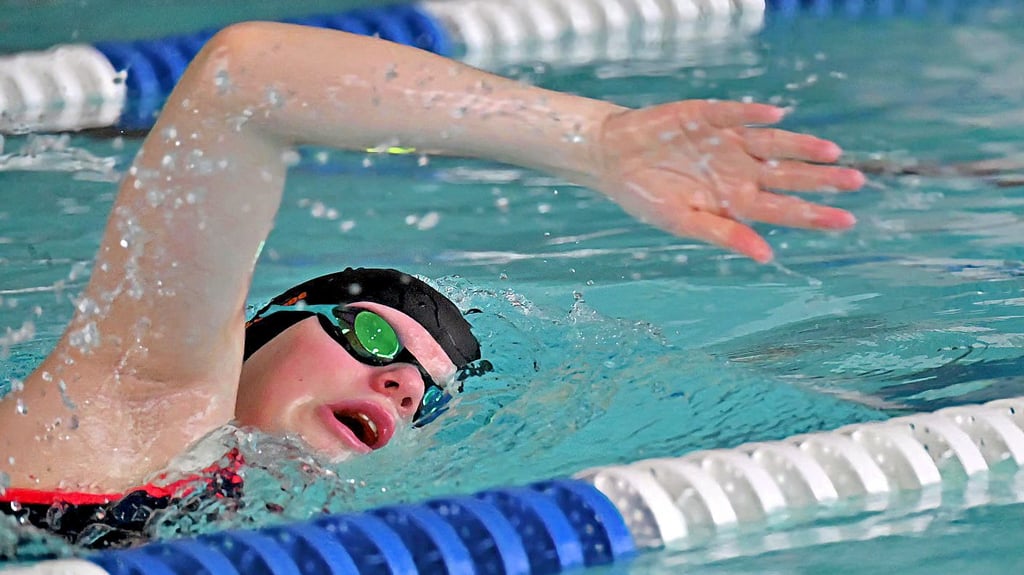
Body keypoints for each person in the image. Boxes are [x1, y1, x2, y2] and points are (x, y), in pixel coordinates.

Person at [0, 21, 863, 516]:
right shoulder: (134, 405)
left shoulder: (257, 521)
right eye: (376, 339)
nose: (404, 387)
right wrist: (593, 141)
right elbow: (243, 82)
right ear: (269, 322)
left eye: (429, 395)